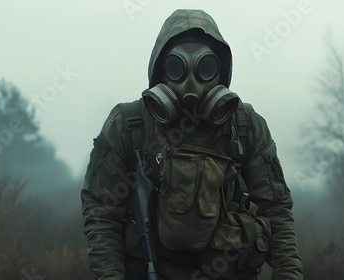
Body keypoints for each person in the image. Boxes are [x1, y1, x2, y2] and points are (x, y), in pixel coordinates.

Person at [81, 9, 303, 280]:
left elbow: (276, 210)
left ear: (220, 71)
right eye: (176, 68)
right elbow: (101, 212)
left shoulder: (244, 127)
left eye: (205, 68)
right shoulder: (129, 125)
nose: (190, 82)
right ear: (160, 69)